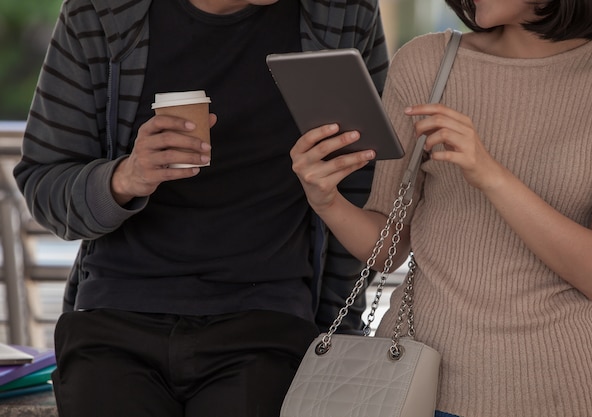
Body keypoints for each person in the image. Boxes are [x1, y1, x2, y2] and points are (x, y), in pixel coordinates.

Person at [12, 0, 388, 416]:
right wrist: (126, 178)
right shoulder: (100, 13)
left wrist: (336, 336)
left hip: (268, 325)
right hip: (115, 319)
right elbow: (44, 185)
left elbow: (361, 191)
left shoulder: (343, 14)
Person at [290, 0, 592, 416]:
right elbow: (386, 249)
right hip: (411, 386)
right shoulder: (428, 63)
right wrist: (326, 200)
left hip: (560, 393)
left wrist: (490, 174)